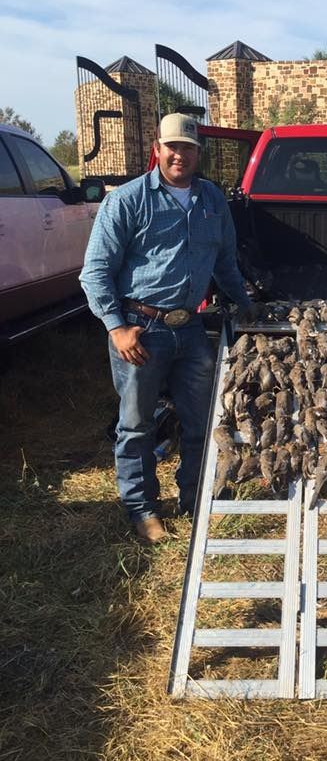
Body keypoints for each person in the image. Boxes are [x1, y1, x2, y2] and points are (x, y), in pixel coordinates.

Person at [80, 113, 252, 544]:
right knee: (137, 425)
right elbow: (95, 271)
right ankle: (142, 509)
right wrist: (116, 327)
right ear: (157, 149)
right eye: (172, 146)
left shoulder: (212, 200)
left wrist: (249, 307)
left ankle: (194, 500)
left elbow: (226, 263)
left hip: (191, 328)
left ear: (199, 152)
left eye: (188, 147)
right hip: (141, 328)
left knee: (200, 421)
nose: (180, 154)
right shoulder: (128, 201)